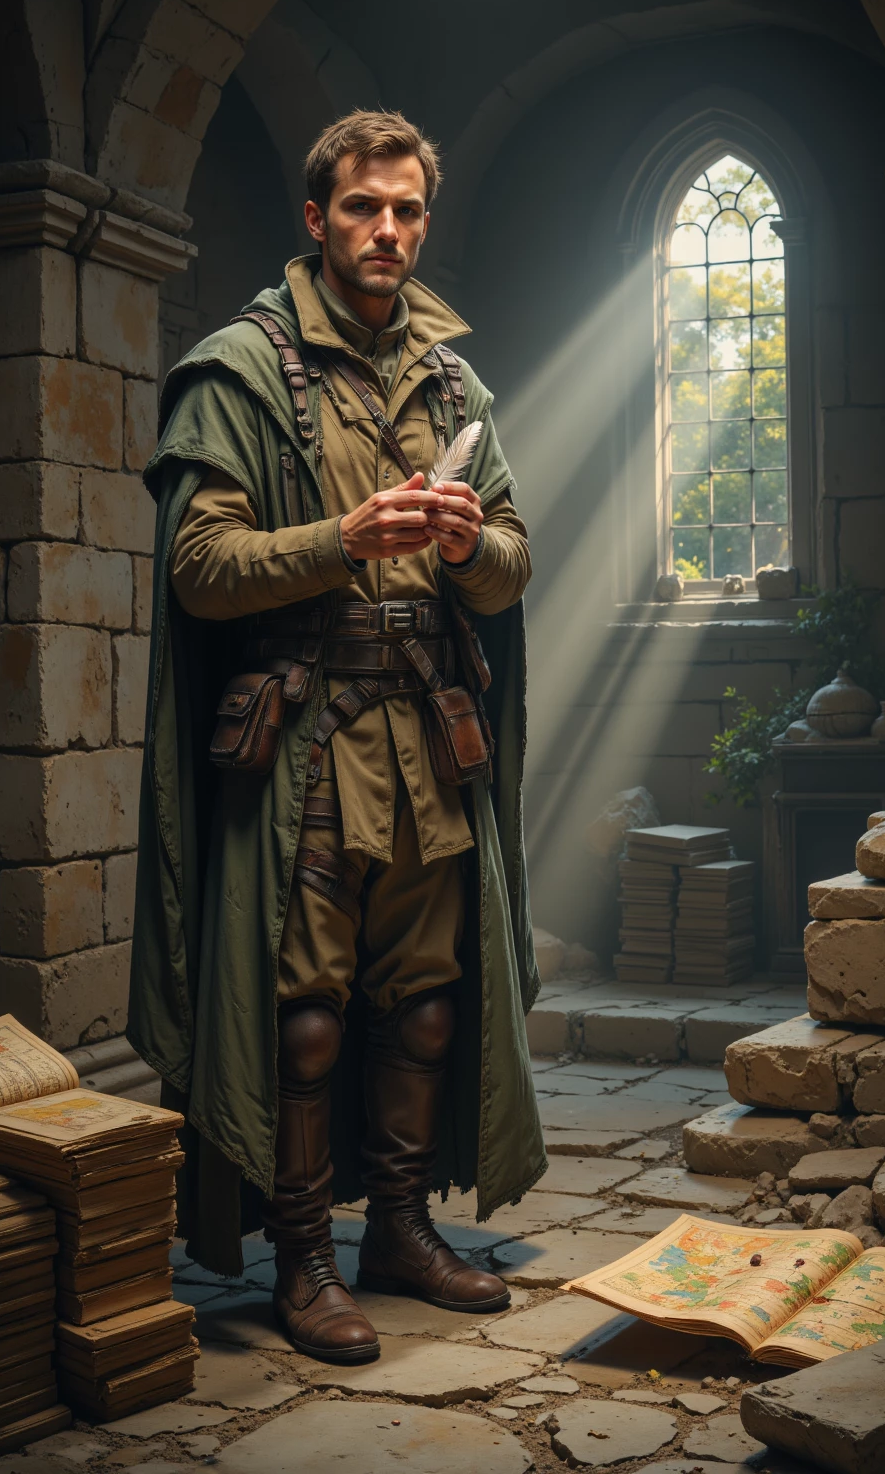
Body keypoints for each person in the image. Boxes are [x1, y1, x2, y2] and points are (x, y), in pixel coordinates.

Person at [129, 110, 546, 1363]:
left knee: (420, 1005)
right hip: (305, 742)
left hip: (429, 735)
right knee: (304, 1015)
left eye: (407, 210)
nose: (388, 231)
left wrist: (472, 547)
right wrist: (340, 541)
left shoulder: (457, 380)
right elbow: (201, 569)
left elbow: (517, 562)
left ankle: (400, 1232)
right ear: (316, 219)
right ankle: (304, 1259)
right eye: (364, 208)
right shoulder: (241, 368)